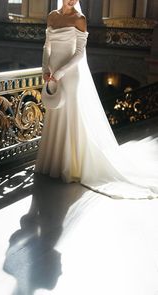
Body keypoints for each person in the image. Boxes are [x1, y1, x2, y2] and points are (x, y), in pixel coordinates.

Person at [35, 0, 158, 199]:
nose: (72, 0)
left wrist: (59, 72)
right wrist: (45, 70)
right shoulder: (52, 16)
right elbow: (46, 46)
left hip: (70, 74)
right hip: (52, 73)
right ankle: (53, 163)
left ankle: (69, 166)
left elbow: (79, 53)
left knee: (69, 115)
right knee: (55, 112)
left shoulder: (79, 19)